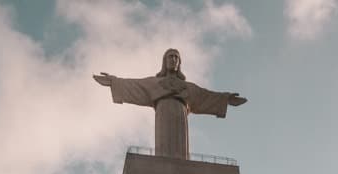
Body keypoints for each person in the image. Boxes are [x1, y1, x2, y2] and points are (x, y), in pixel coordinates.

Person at [94, 48, 247, 160]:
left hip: (181, 114)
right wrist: (114, 82)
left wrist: (226, 99)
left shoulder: (188, 87)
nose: (173, 59)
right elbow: (135, 85)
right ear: (164, 62)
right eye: (170, 57)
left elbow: (206, 96)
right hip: (163, 112)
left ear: (179, 63)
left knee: (181, 152)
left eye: (176, 57)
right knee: (164, 151)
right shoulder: (155, 82)